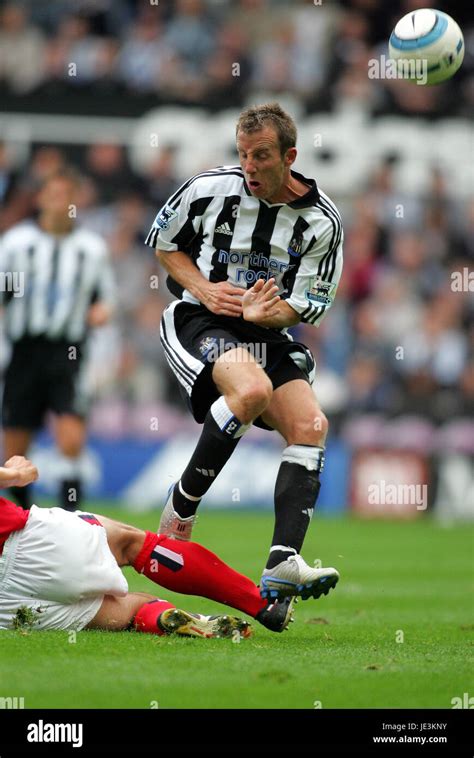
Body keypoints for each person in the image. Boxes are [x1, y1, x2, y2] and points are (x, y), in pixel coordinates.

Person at [145, 102, 343, 602]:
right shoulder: (208, 188)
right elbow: (164, 244)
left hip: (266, 331)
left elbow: (306, 306)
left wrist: (267, 316)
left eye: (261, 156)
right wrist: (206, 289)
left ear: (290, 156)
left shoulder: (322, 223)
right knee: (251, 389)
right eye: (243, 155)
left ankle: (281, 566)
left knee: (311, 426)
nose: (249, 167)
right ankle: (182, 506)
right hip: (200, 317)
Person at [0, 456, 293, 637]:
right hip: (23, 540)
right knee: (133, 544)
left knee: (127, 612)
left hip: (6, 606)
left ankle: (162, 617)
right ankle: (262, 604)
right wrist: (12, 475)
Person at [0, 169, 115, 511]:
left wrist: (101, 312)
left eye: (67, 195)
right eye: (53, 194)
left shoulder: (90, 249)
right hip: (24, 351)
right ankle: (25, 518)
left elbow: (105, 299)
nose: (60, 202)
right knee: (17, 446)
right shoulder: (18, 244)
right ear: (41, 199)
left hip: (68, 351)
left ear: (75, 201)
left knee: (71, 439)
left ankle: (70, 522)